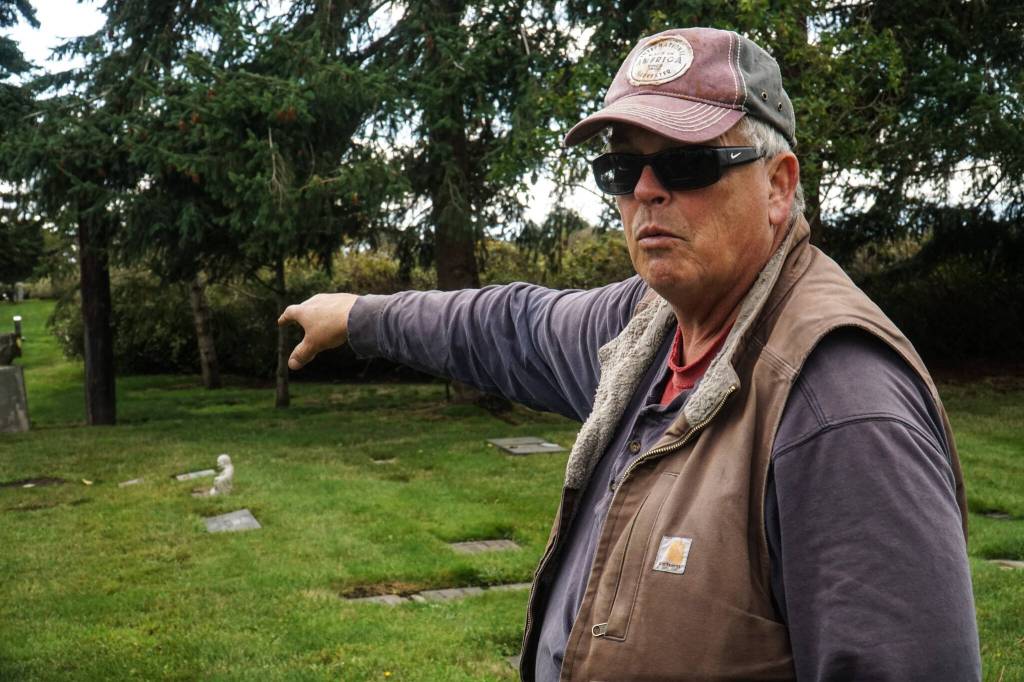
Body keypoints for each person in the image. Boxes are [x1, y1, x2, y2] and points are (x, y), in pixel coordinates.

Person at [278, 27, 981, 681]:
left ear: (778, 185)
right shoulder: (649, 326)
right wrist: (360, 316)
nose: (646, 190)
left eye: (686, 163)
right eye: (621, 167)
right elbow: (506, 326)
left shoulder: (842, 410)